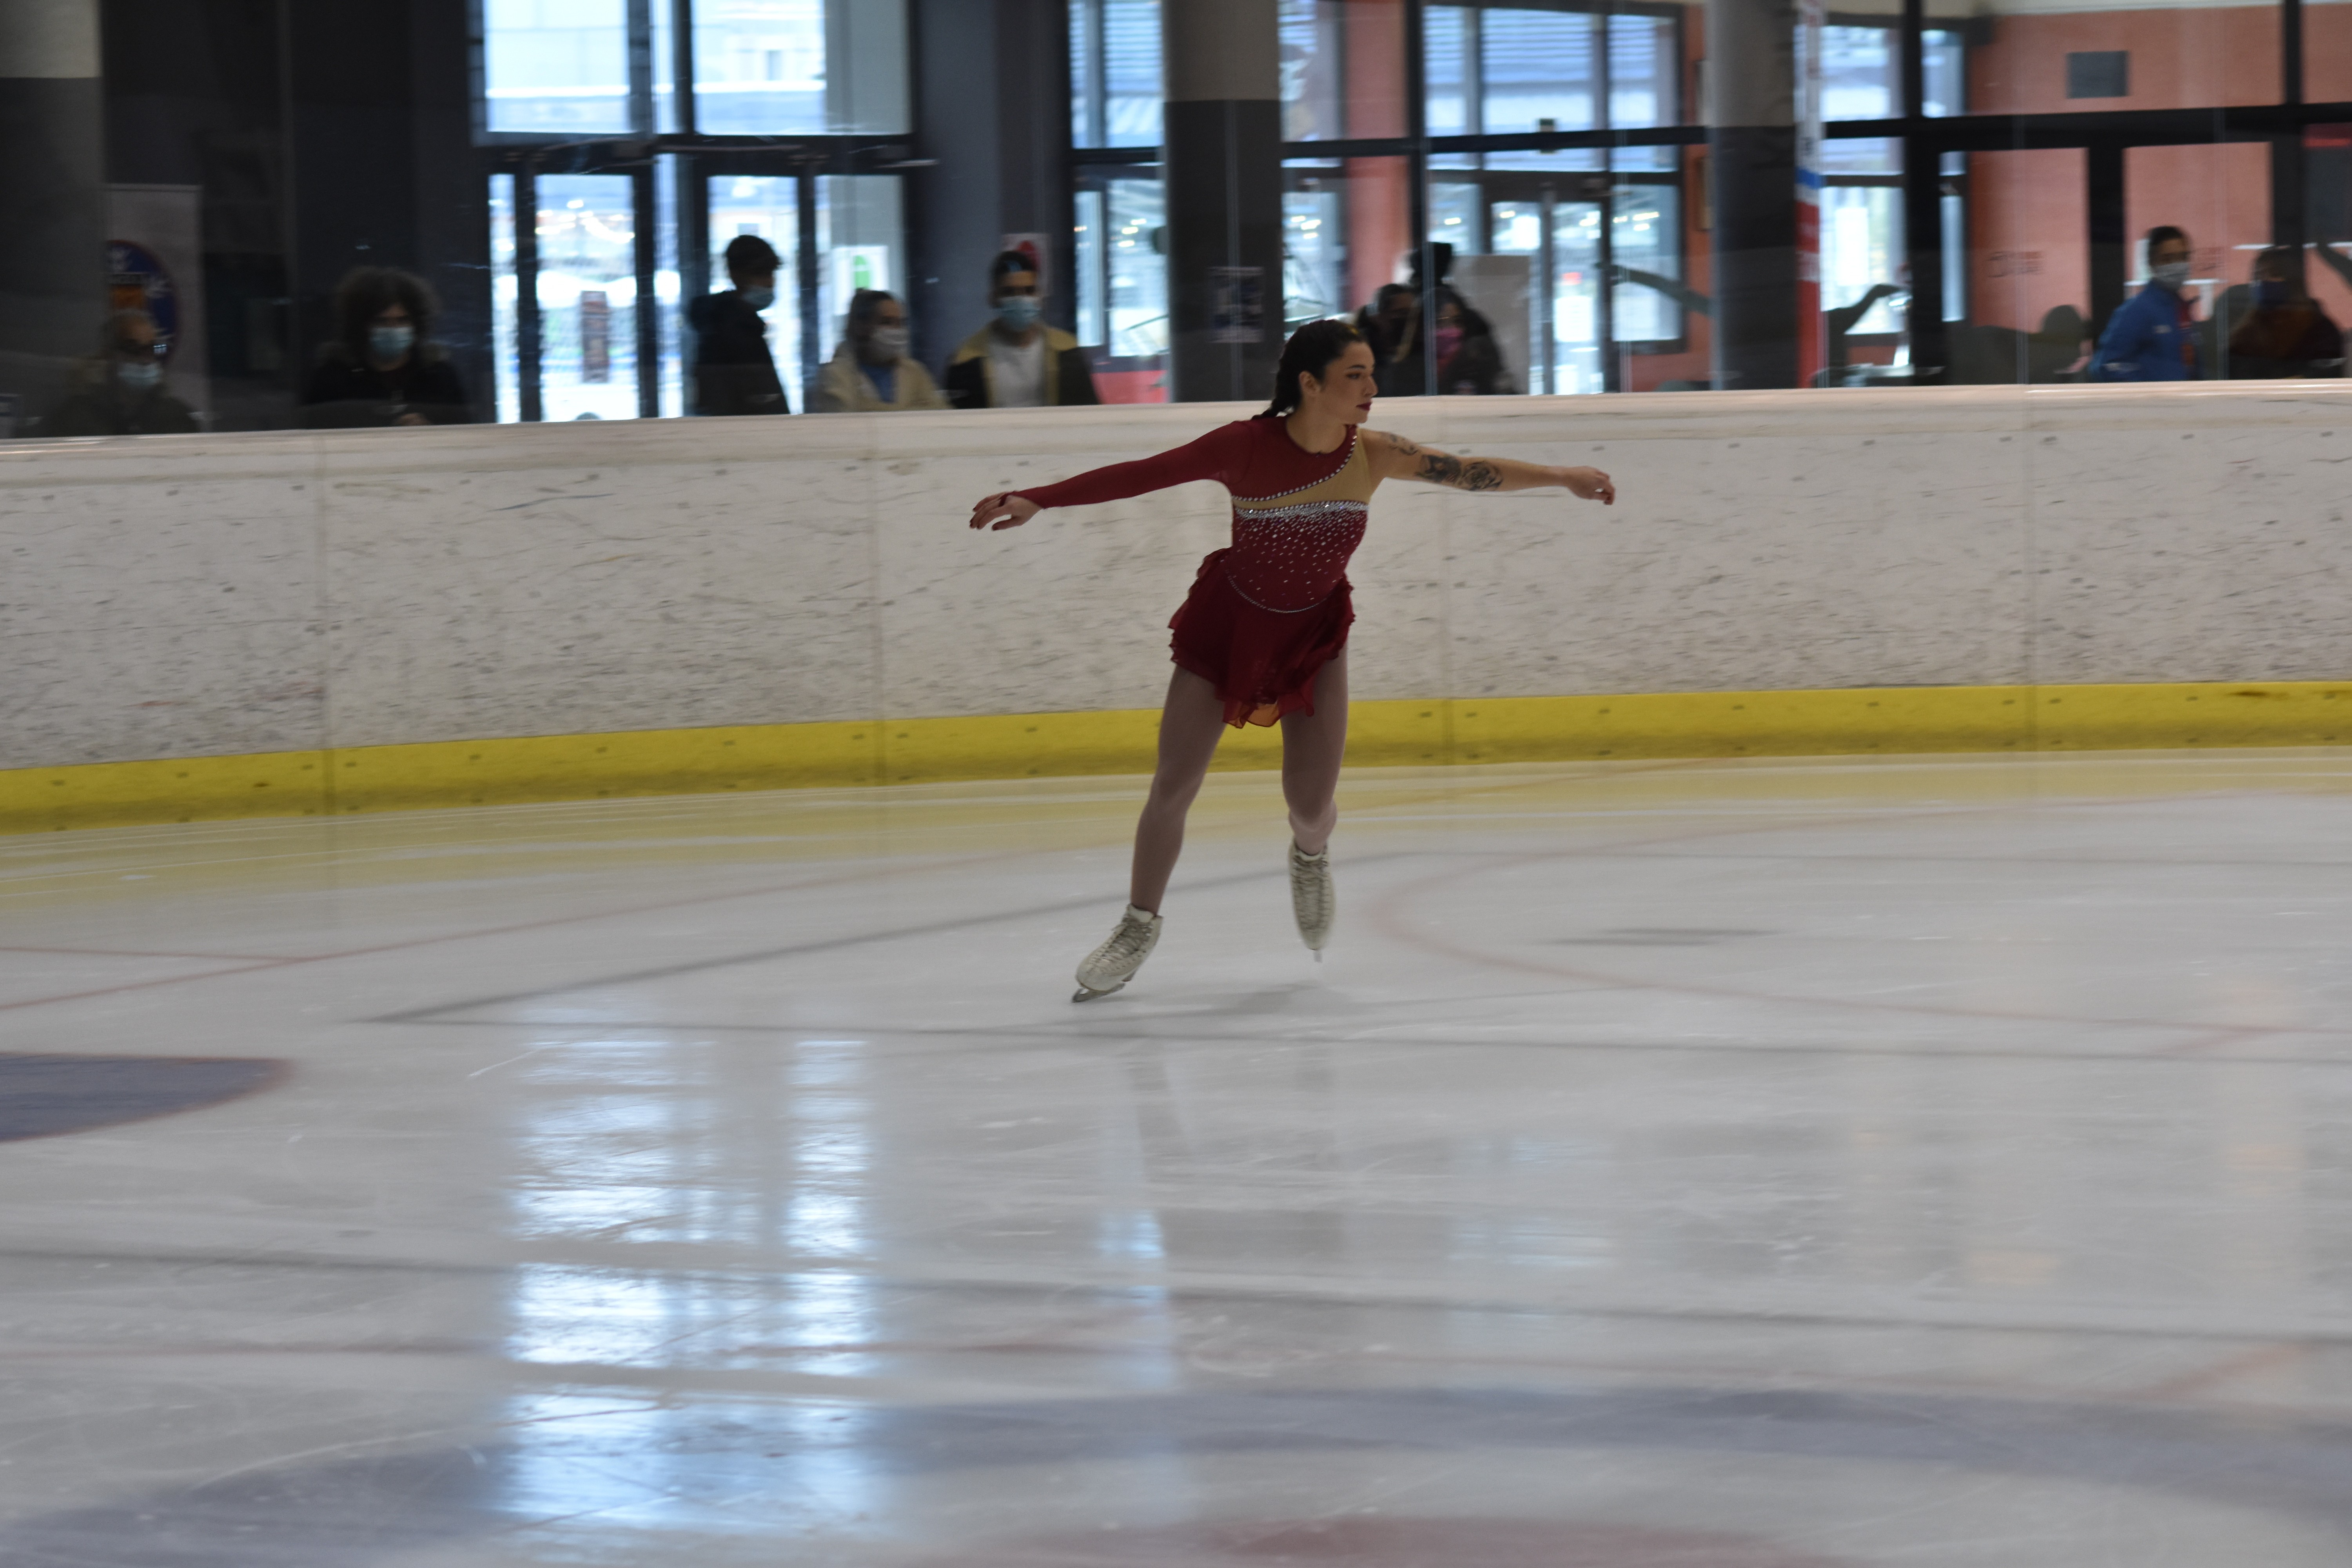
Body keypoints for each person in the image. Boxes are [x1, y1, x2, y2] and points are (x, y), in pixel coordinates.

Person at [967, 319, 1617, 1002]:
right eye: (1355, 376)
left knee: (1310, 806)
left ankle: (1311, 857)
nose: (1372, 388)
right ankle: (1138, 925)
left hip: (1314, 637)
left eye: (1371, 373)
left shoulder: (1375, 454)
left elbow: (1467, 473)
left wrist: (1561, 477)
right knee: (1174, 784)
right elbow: (1146, 474)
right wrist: (1042, 497)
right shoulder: (1244, 447)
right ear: (1310, 384)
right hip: (1228, 628)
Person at [299, 268, 472, 427]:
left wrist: (429, 433)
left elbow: (466, 437)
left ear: (417, 323)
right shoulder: (332, 379)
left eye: (402, 320)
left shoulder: (440, 377)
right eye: (382, 321)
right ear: (362, 325)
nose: (393, 329)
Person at [944, 250, 1100, 409]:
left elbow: (1090, 412)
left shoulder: (1067, 351)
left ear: (1039, 296)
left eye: (1029, 291)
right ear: (993, 298)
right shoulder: (966, 360)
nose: (1021, 299)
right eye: (1009, 292)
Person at [43, 310, 199, 436]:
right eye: (133, 349)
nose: (145, 359)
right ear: (109, 355)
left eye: (153, 349)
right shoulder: (74, 418)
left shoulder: (176, 416)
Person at [688, 235, 791, 417]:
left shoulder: (745, 326)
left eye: (771, 273)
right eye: (760, 273)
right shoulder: (728, 333)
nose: (770, 282)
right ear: (735, 275)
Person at [2089, 226, 2200, 382]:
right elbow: (2106, 366)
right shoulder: (2137, 311)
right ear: (2152, 262)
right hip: (2157, 404)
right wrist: (2150, 395)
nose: (2178, 265)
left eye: (2183, 257)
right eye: (2168, 259)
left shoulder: (2183, 309)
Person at [815, 289, 949, 412]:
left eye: (900, 323)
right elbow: (847, 421)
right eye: (886, 322)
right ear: (861, 327)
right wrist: (913, 411)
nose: (896, 330)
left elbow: (941, 415)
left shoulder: (915, 372)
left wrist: (869, 408)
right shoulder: (835, 376)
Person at [2227, 245, 2345, 379]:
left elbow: (2328, 374)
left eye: (2275, 275)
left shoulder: (2320, 330)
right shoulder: (2246, 335)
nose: (2264, 282)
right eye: (2258, 276)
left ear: (2292, 282)